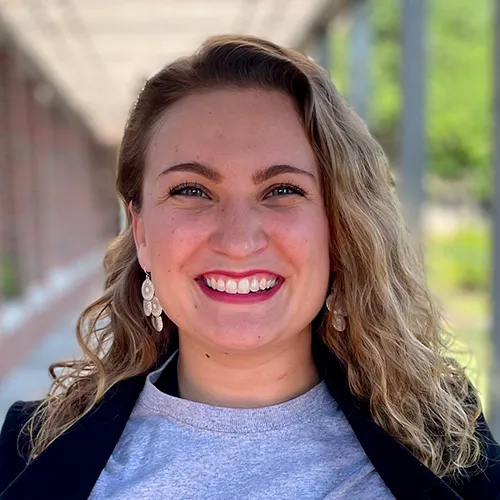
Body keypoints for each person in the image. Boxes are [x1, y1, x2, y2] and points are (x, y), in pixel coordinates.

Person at [1, 34, 499, 500]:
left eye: (282, 190)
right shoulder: (28, 451)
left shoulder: (448, 445)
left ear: (340, 226)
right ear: (142, 231)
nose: (238, 241)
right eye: (191, 191)